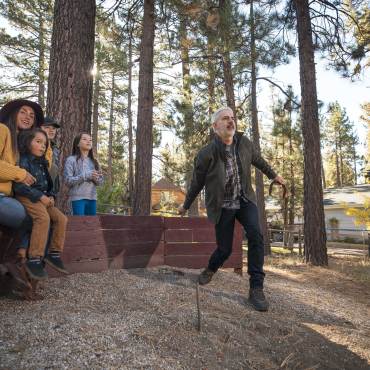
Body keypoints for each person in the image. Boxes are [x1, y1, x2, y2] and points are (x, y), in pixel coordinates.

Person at [178, 107, 285, 312]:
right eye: (225, 118)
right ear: (215, 126)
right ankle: (210, 269)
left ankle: (256, 288)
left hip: (245, 200)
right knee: (224, 249)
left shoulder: (244, 143)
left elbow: (258, 160)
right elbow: (196, 183)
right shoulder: (206, 154)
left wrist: (274, 176)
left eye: (233, 118)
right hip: (223, 206)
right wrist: (185, 204)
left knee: (255, 235)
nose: (231, 121)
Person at [13, 129, 68, 280]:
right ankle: (34, 259)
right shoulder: (24, 160)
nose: (43, 146)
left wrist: (50, 196)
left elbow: (49, 185)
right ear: (27, 143)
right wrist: (40, 197)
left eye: (45, 144)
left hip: (43, 198)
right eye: (38, 142)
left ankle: (54, 254)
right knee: (43, 218)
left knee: (61, 219)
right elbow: (19, 187)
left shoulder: (43, 163)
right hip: (27, 197)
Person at [0, 99, 44, 286]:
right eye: (23, 112)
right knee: (24, 214)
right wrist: (20, 173)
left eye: (32, 115)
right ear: (13, 113)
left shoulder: (20, 142)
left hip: (8, 196)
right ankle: (9, 258)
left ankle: (15, 259)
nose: (28, 117)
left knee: (40, 213)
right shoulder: (2, 129)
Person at [64, 132, 103, 216]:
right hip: (77, 199)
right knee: (78, 226)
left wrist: (95, 178)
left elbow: (100, 182)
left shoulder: (95, 162)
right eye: (84, 139)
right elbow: (68, 181)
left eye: (90, 140)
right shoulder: (71, 160)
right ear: (77, 143)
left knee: (91, 226)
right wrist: (85, 175)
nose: (88, 141)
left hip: (92, 198)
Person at [40, 116, 61, 193]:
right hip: (37, 192)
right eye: (47, 127)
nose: (51, 130)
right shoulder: (33, 146)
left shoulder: (54, 148)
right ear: (39, 128)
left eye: (54, 128)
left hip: (50, 191)